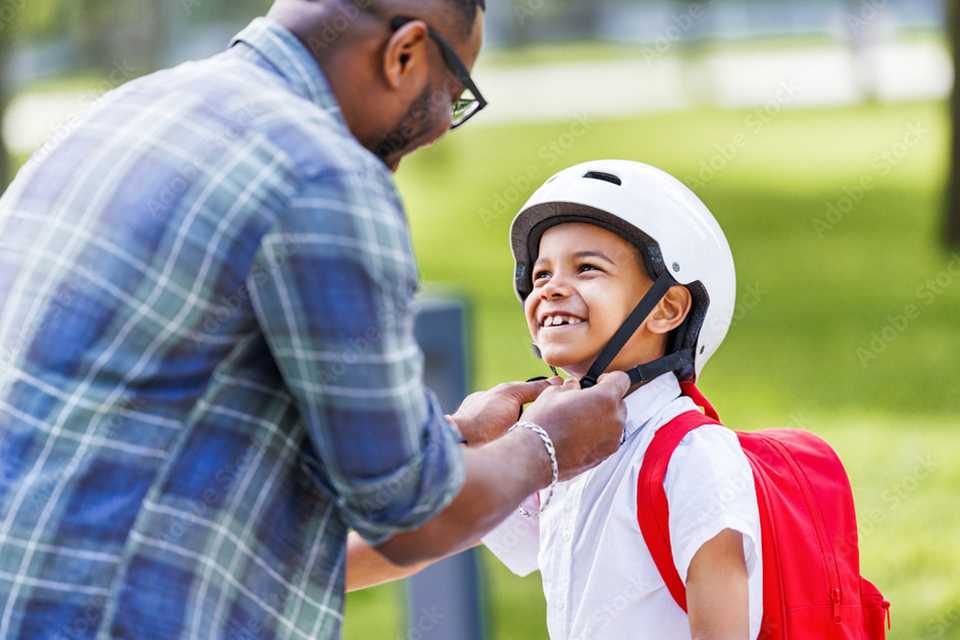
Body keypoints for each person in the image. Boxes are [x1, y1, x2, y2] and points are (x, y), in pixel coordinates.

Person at [0, 2, 630, 638]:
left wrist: (457, 437)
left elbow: (171, 412)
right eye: (453, 95)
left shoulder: (118, 116)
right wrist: (547, 446)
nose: (442, 127)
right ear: (405, 53)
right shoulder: (322, 174)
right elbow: (413, 517)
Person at [346, 160, 764, 640]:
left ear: (667, 308)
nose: (552, 288)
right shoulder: (557, 447)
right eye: (540, 274)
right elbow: (423, 535)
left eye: (587, 268)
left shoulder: (691, 455)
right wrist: (466, 438)